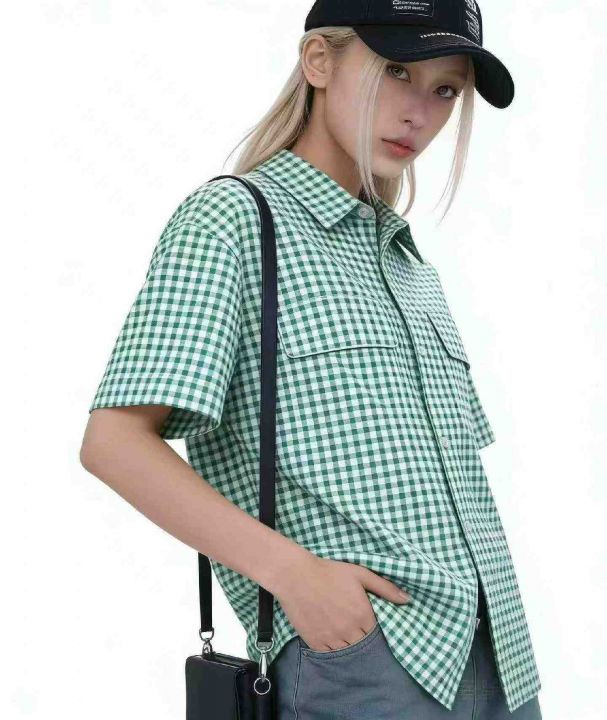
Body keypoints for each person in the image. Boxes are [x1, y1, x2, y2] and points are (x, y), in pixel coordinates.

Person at [80, 1, 543, 718]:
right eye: (396, 71)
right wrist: (294, 575)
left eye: (445, 89)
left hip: (501, 659)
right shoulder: (235, 221)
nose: (418, 113)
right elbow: (114, 442)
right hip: (367, 663)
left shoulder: (404, 261)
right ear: (319, 62)